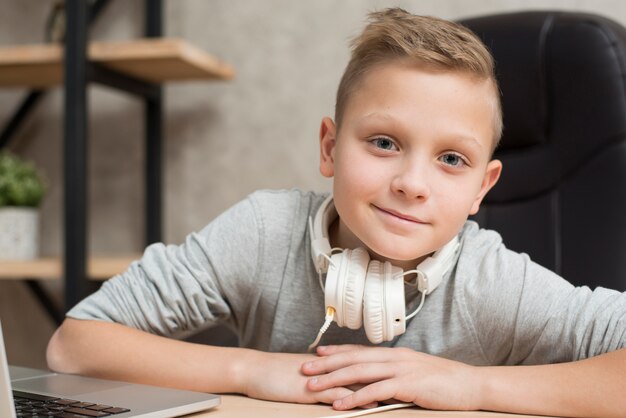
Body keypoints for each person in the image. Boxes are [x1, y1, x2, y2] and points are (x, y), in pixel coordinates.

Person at [46, 8, 626, 417]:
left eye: (451, 159)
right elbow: (74, 345)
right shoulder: (263, 233)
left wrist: (473, 386)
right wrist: (251, 370)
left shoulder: (493, 283)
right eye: (383, 143)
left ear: (482, 188)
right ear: (329, 147)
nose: (411, 184)